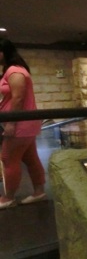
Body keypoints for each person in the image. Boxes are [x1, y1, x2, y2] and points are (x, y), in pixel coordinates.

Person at [0, 39, 46, 209]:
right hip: (24, 123)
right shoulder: (11, 70)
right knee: (30, 158)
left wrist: (11, 123)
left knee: (8, 158)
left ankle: (8, 198)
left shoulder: (15, 71)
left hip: (20, 124)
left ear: (4, 52)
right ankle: (39, 192)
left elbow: (18, 98)